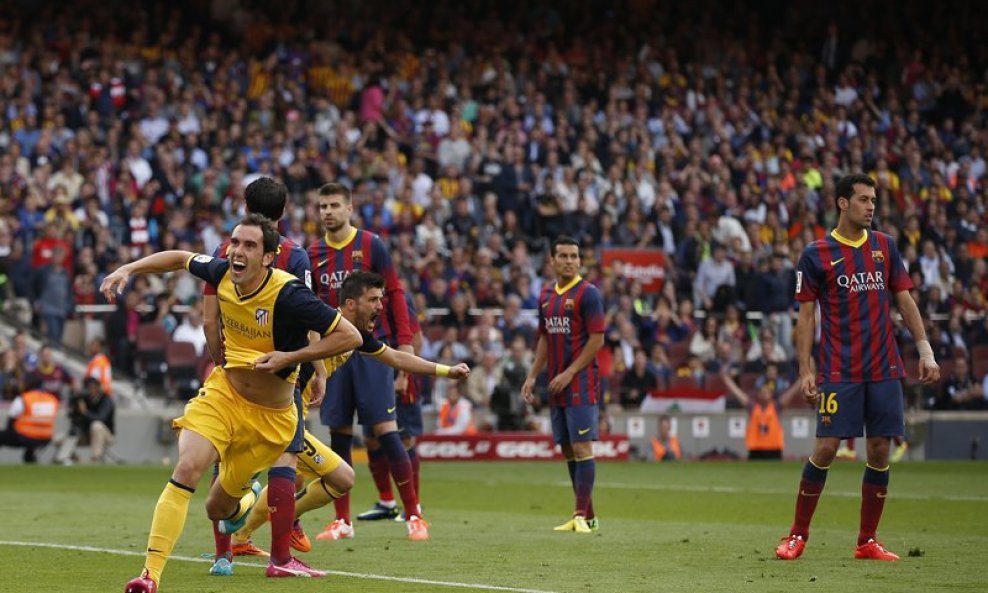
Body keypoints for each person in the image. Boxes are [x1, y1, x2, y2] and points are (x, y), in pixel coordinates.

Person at [105, 214, 363, 593]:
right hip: (224, 396)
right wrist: (130, 267)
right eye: (234, 242)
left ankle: (243, 507)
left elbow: (350, 335)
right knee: (188, 465)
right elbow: (178, 258)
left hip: (270, 421)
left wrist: (289, 358)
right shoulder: (221, 272)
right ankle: (149, 576)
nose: (236, 251)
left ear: (269, 257)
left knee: (218, 509)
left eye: (249, 246)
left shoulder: (290, 295)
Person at [231, 272, 469, 549]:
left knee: (293, 478)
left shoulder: (356, 337)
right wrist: (320, 371)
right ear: (351, 304)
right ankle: (275, 522)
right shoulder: (324, 319)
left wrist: (446, 371)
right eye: (373, 299)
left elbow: (395, 357)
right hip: (276, 413)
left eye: (381, 299)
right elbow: (309, 330)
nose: (380, 306)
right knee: (337, 477)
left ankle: (245, 535)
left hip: (290, 415)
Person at [776, 174, 940, 562]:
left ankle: (867, 541)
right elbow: (806, 316)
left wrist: (925, 350)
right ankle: (797, 535)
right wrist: (805, 367)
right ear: (842, 203)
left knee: (880, 449)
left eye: (874, 200)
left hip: (883, 367)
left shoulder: (885, 247)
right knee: (828, 447)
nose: (871, 207)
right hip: (838, 370)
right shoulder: (816, 253)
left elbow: (905, 301)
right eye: (864, 200)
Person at [201, 177, 320, 571]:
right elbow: (311, 318)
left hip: (234, 366)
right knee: (285, 457)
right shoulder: (294, 255)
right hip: (282, 371)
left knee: (226, 450)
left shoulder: (226, 250)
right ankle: (281, 557)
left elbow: (208, 316)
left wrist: (221, 357)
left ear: (244, 204)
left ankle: (223, 554)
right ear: (285, 212)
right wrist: (316, 367)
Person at [308, 182, 425, 542]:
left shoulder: (371, 244)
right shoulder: (312, 254)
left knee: (385, 429)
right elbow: (310, 307)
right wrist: (316, 365)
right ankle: (342, 521)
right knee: (339, 433)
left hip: (372, 348)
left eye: (334, 205)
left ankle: (414, 515)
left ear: (350, 208)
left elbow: (395, 296)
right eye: (322, 206)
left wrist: (404, 359)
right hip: (333, 352)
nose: (328, 211)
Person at [522, 236, 605, 534]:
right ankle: (589, 516)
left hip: (581, 383)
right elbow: (544, 338)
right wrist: (532, 375)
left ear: (580, 260)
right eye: (563, 256)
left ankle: (580, 515)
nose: (569, 260)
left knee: (583, 446)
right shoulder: (546, 295)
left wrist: (570, 373)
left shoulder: (588, 294)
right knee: (569, 449)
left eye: (574, 256)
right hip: (557, 384)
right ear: (552, 260)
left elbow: (597, 340)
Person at [357, 293, 425, 523]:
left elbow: (416, 337)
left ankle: (413, 505)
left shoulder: (398, 298)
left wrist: (403, 375)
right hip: (372, 374)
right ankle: (387, 502)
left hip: (398, 376)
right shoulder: (361, 296)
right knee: (372, 439)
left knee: (402, 438)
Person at [720, 368, 801, 460]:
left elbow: (790, 393)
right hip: (755, 447)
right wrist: (727, 379)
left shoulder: (776, 407)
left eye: (766, 392)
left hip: (773, 447)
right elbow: (738, 394)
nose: (764, 394)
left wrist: (801, 379)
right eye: (762, 392)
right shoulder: (753, 407)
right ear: (758, 394)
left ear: (771, 394)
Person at [53, 376, 115, 464]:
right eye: (88, 388)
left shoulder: (105, 400)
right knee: (58, 439)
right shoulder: (84, 399)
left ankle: (95, 458)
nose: (90, 390)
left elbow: (101, 418)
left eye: (92, 387)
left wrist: (85, 412)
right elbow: (73, 417)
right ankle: (73, 458)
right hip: (85, 434)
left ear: (98, 387)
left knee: (96, 426)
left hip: (105, 435)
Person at [0, 378, 59, 463]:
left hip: (26, 436)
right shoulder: (52, 399)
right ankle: (30, 458)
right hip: (46, 438)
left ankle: (30, 456)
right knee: (30, 446)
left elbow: (11, 418)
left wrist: (9, 432)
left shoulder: (24, 398)